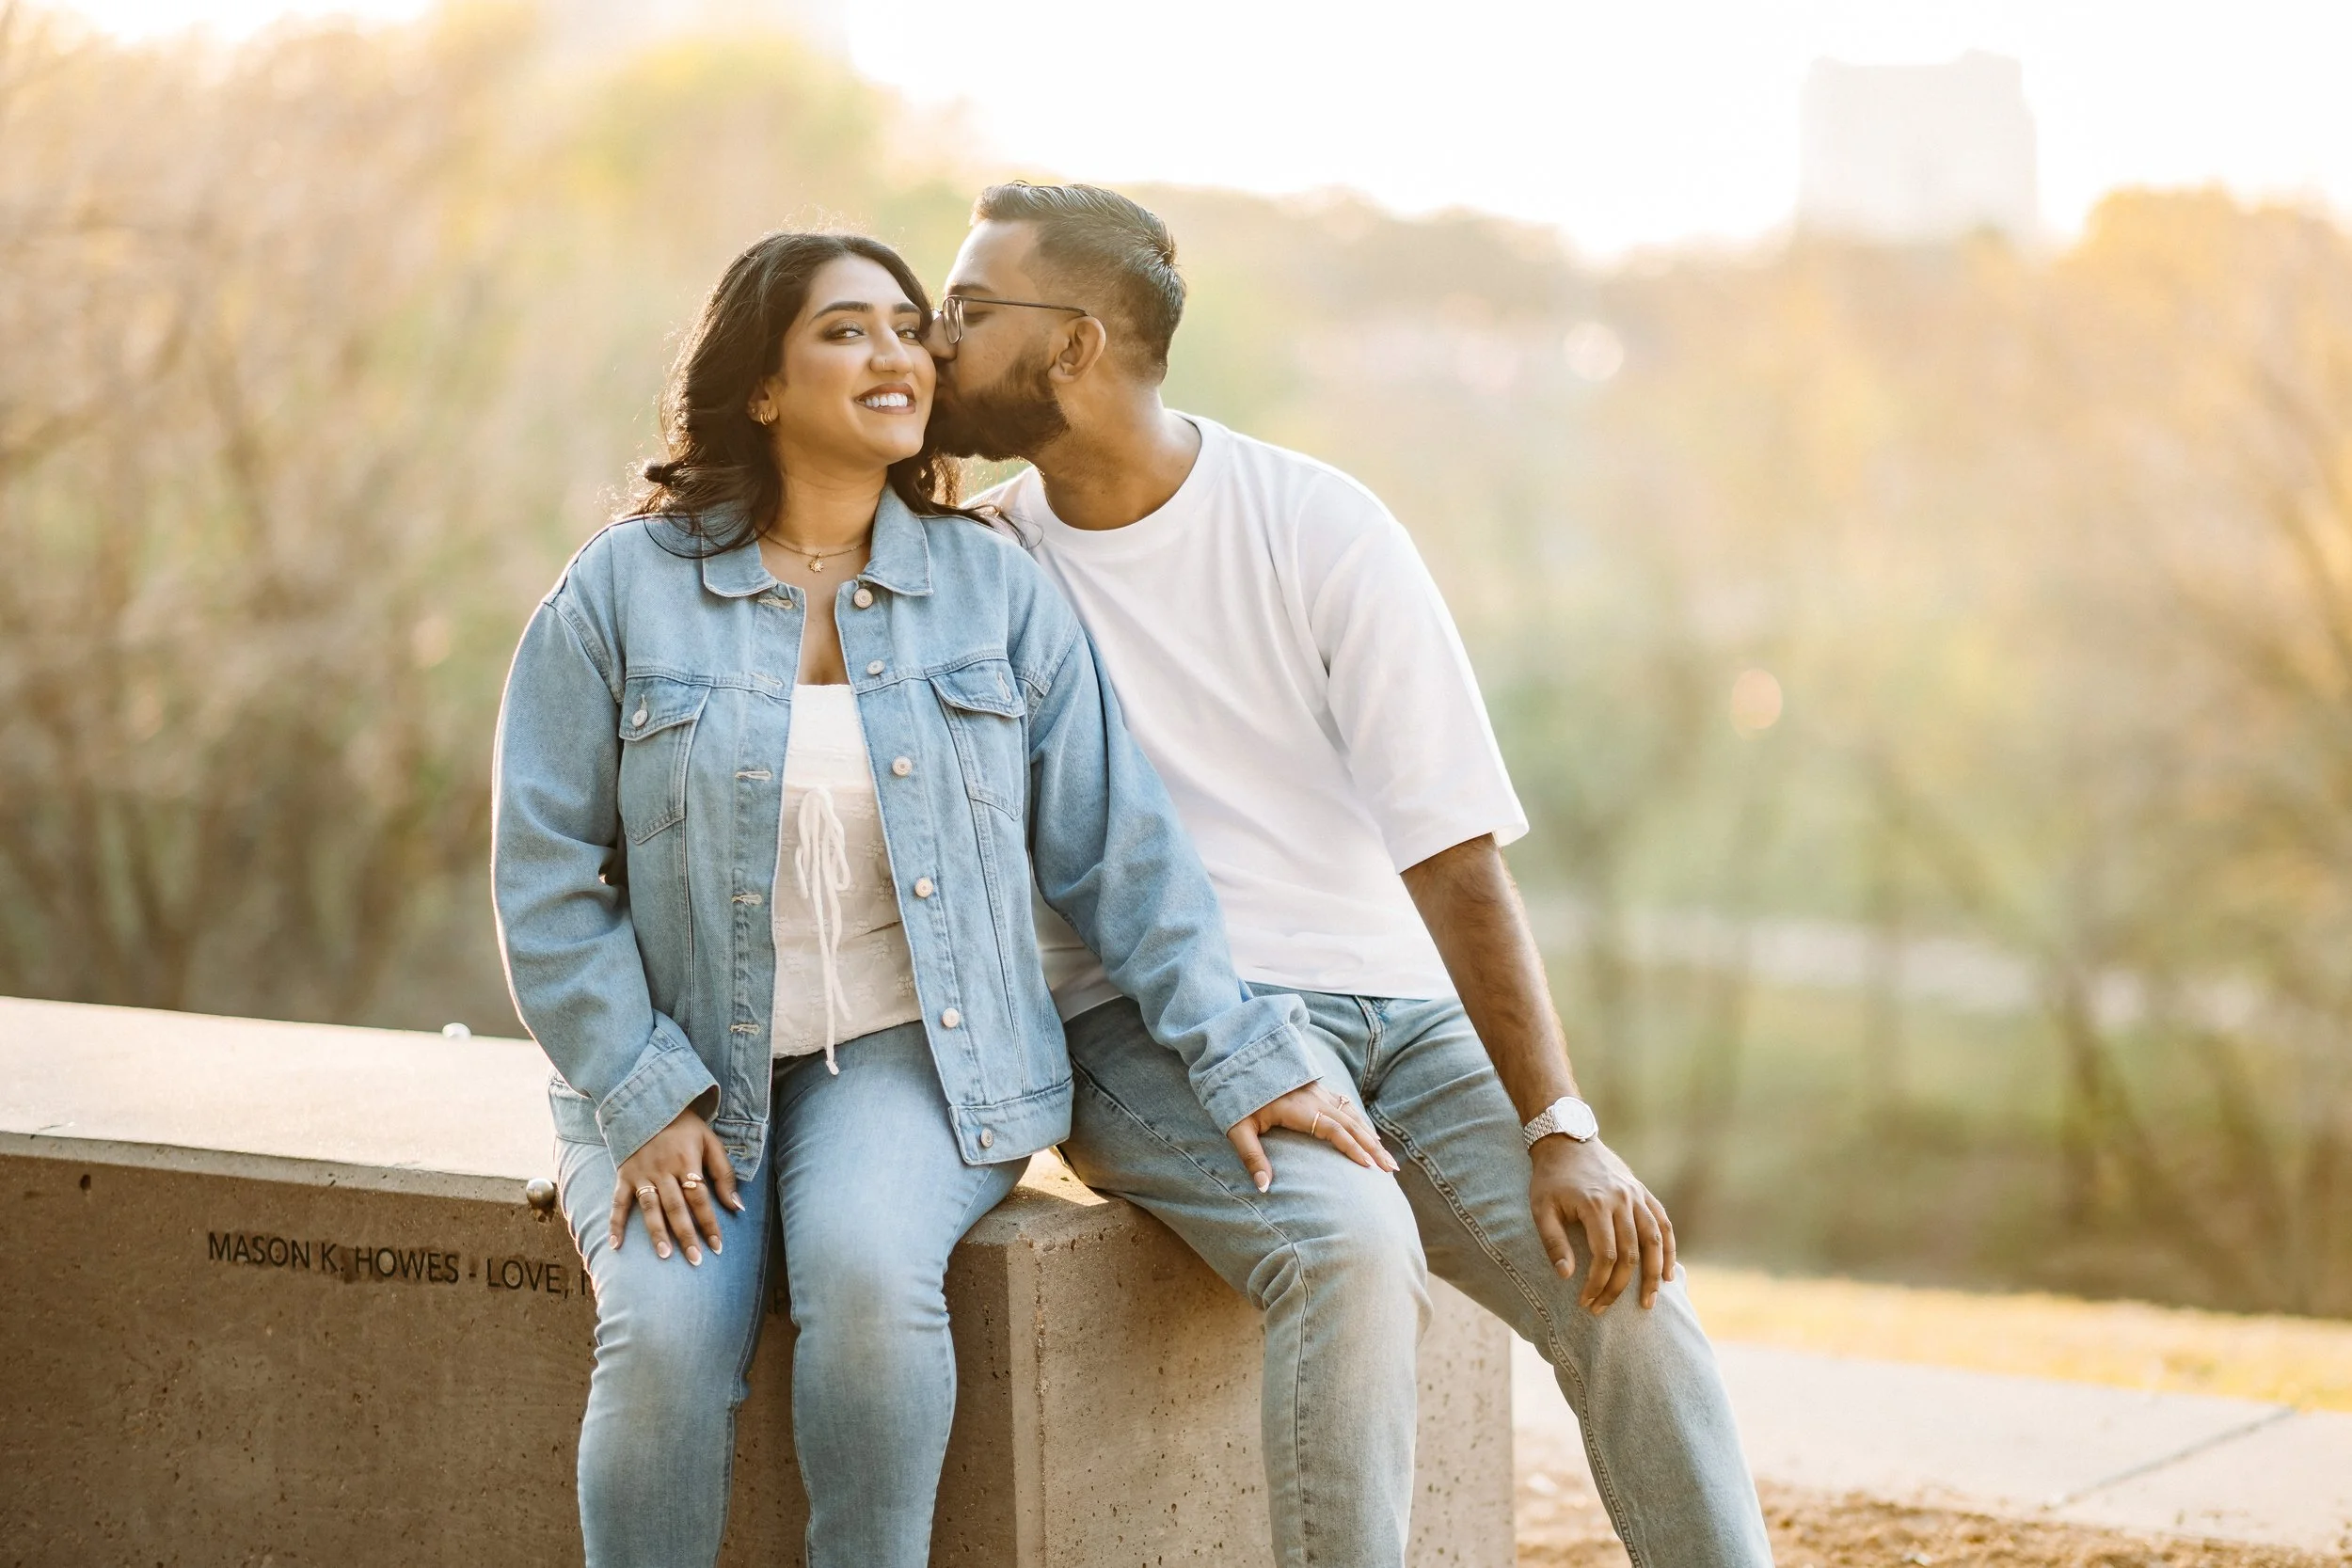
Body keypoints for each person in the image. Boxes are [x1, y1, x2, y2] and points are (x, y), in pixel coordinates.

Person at [489, 230, 1383, 1568]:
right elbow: (545, 871)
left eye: (910, 327)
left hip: (919, 1054)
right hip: (678, 1062)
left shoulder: (993, 589)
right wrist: (639, 1095)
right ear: (762, 387)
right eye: (847, 330)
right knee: (667, 1338)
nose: (898, 353)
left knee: (866, 1272)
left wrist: (1243, 1055)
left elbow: (1116, 849)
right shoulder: (624, 589)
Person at [926, 182, 1777, 1568]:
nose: (933, 340)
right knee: (1348, 1246)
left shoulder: (1319, 524)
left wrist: (1560, 1120)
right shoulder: (988, 567)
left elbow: (1452, 853)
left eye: (967, 311)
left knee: (1623, 1282)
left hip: (1401, 1021)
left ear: (1075, 346)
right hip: (1148, 1031)